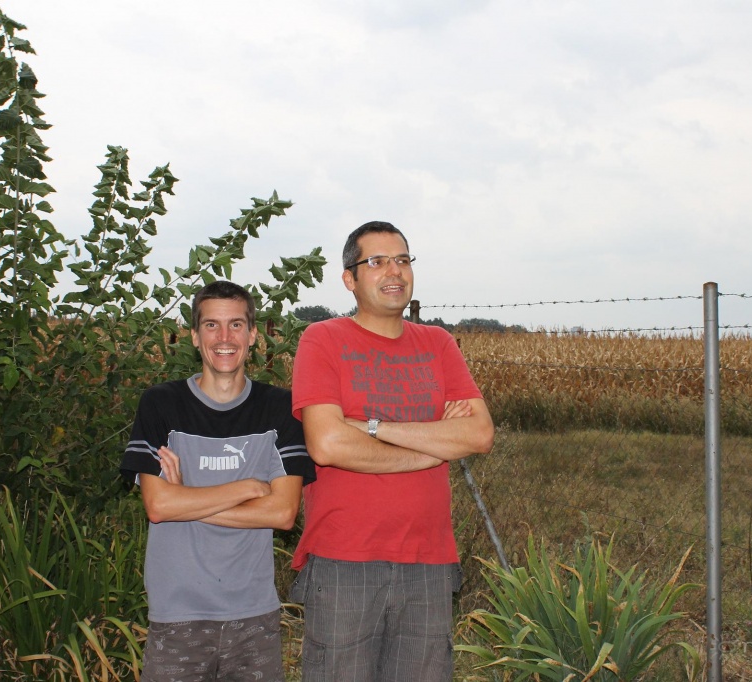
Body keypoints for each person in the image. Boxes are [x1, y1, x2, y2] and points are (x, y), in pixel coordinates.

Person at [289, 221, 495, 681]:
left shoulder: (438, 344)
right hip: (344, 556)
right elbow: (327, 444)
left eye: (402, 260)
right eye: (377, 261)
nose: (394, 271)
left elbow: (479, 434)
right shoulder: (323, 339)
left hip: (429, 559)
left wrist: (373, 427)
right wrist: (432, 447)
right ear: (350, 278)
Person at [119, 280, 315, 682]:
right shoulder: (161, 404)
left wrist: (185, 497)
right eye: (211, 325)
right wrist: (247, 488)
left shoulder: (280, 408)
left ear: (253, 334)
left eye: (236, 325)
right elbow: (158, 507)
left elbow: (282, 513)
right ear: (194, 335)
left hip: (254, 618)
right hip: (177, 616)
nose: (224, 338)